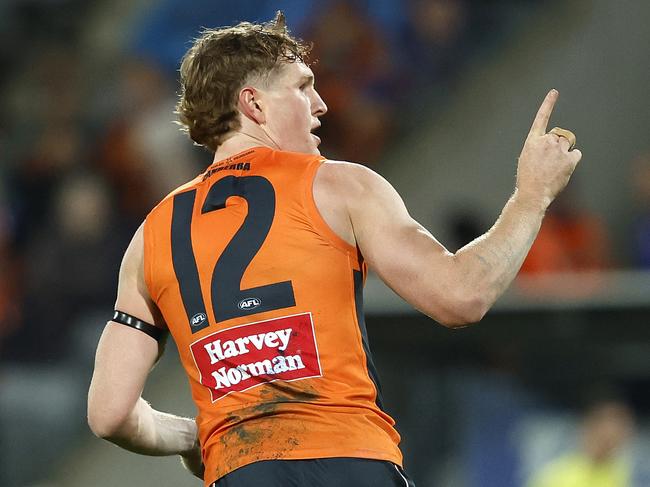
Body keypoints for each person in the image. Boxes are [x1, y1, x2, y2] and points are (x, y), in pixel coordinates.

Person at [87, 12, 582, 487]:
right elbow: (462, 295)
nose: (322, 104)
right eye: (303, 87)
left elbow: (110, 413)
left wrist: (191, 436)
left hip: (240, 471)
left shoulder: (151, 237)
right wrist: (530, 197)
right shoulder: (341, 187)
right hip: (351, 461)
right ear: (254, 104)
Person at [525, 397, 635, 487]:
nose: (615, 434)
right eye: (610, 425)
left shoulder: (620, 472)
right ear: (591, 427)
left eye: (622, 426)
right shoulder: (556, 477)